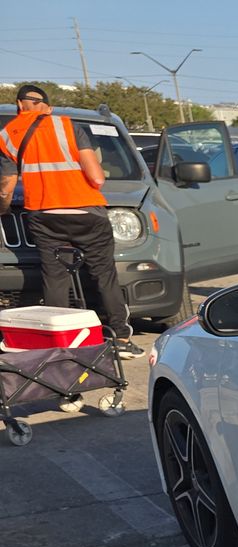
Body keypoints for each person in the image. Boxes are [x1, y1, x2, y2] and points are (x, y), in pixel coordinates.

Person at [0, 84, 136, 357]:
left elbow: (6, 185)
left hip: (43, 214)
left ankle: (59, 342)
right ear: (47, 107)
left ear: (19, 104)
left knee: (55, 277)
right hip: (87, 213)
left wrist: (3, 209)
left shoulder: (7, 136)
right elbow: (96, 178)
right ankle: (120, 339)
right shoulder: (68, 127)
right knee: (104, 274)